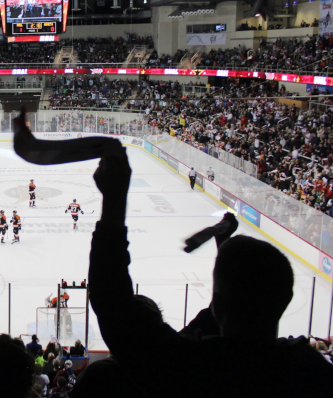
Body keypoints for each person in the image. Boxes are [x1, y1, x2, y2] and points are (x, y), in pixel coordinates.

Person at [88, 150, 333, 397]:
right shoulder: (308, 369)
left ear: (218, 301)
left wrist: (114, 198)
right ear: (286, 298)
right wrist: (224, 246)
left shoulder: (193, 366)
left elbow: (112, 303)